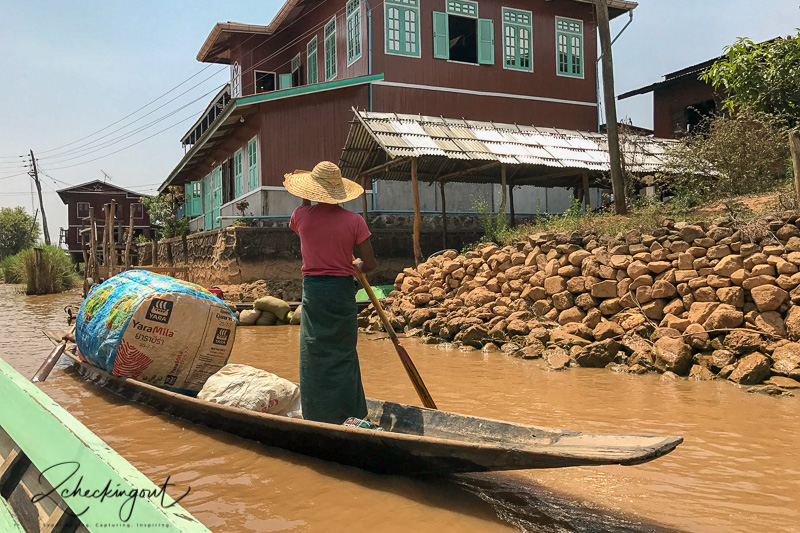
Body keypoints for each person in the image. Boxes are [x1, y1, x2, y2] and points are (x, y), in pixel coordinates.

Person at [285, 161, 378, 424]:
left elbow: (302, 212)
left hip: (314, 293)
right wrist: (356, 264)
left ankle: (316, 413)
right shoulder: (354, 221)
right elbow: (370, 264)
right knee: (344, 353)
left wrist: (307, 194)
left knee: (314, 352)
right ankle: (350, 414)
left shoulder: (301, 216)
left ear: (314, 192)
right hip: (341, 292)